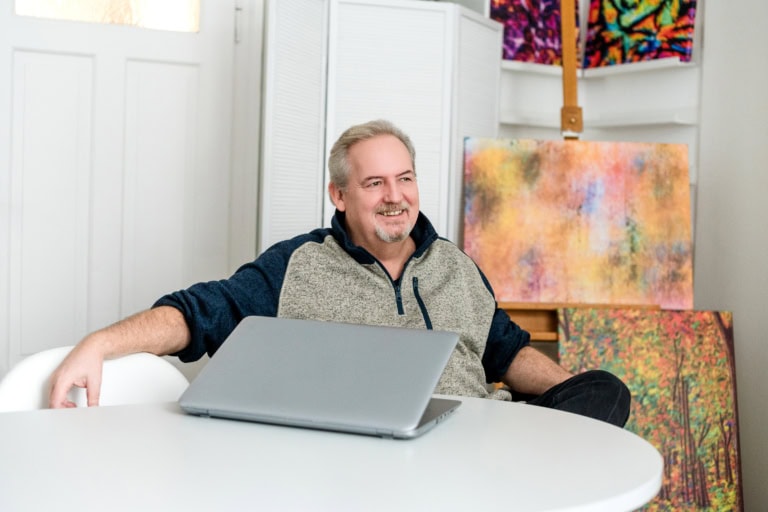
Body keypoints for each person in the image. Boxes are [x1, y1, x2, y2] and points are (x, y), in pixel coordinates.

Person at [49, 119, 630, 427]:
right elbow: (201, 312)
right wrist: (101, 343)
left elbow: (503, 351)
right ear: (340, 194)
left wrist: (565, 398)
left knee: (606, 392)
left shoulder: (456, 264)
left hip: (473, 436)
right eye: (375, 183)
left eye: (404, 179)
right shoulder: (299, 264)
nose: (395, 196)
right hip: (361, 451)